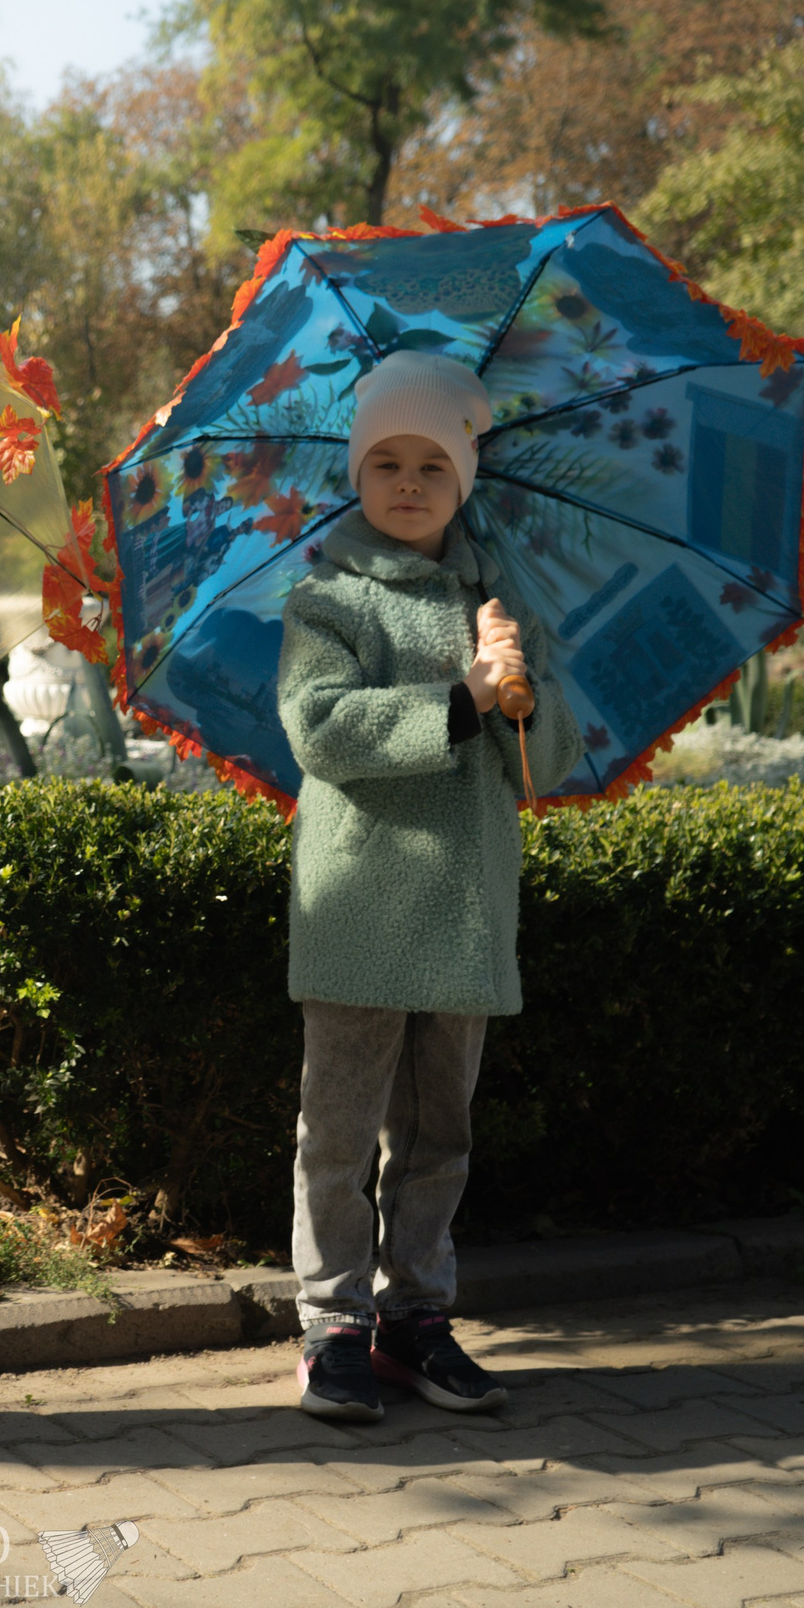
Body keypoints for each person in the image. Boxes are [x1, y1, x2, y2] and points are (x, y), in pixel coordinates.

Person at [276, 349, 584, 1424]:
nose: (407, 484)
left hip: (460, 909)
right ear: (357, 478)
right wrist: (457, 698)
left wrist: (521, 695)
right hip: (358, 905)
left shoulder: (499, 607)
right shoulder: (327, 599)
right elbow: (320, 730)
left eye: (431, 467)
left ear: (463, 481)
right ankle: (331, 1323)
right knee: (341, 1125)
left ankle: (416, 1316)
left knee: (438, 1132)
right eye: (385, 464)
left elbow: (548, 763)